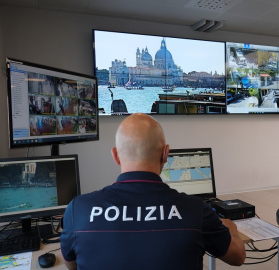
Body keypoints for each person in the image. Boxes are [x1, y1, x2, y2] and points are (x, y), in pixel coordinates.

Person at [60, 113, 246, 270]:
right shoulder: (196, 210)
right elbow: (238, 258)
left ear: (115, 155)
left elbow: (71, 265)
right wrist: (231, 229)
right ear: (166, 154)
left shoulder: (78, 210)